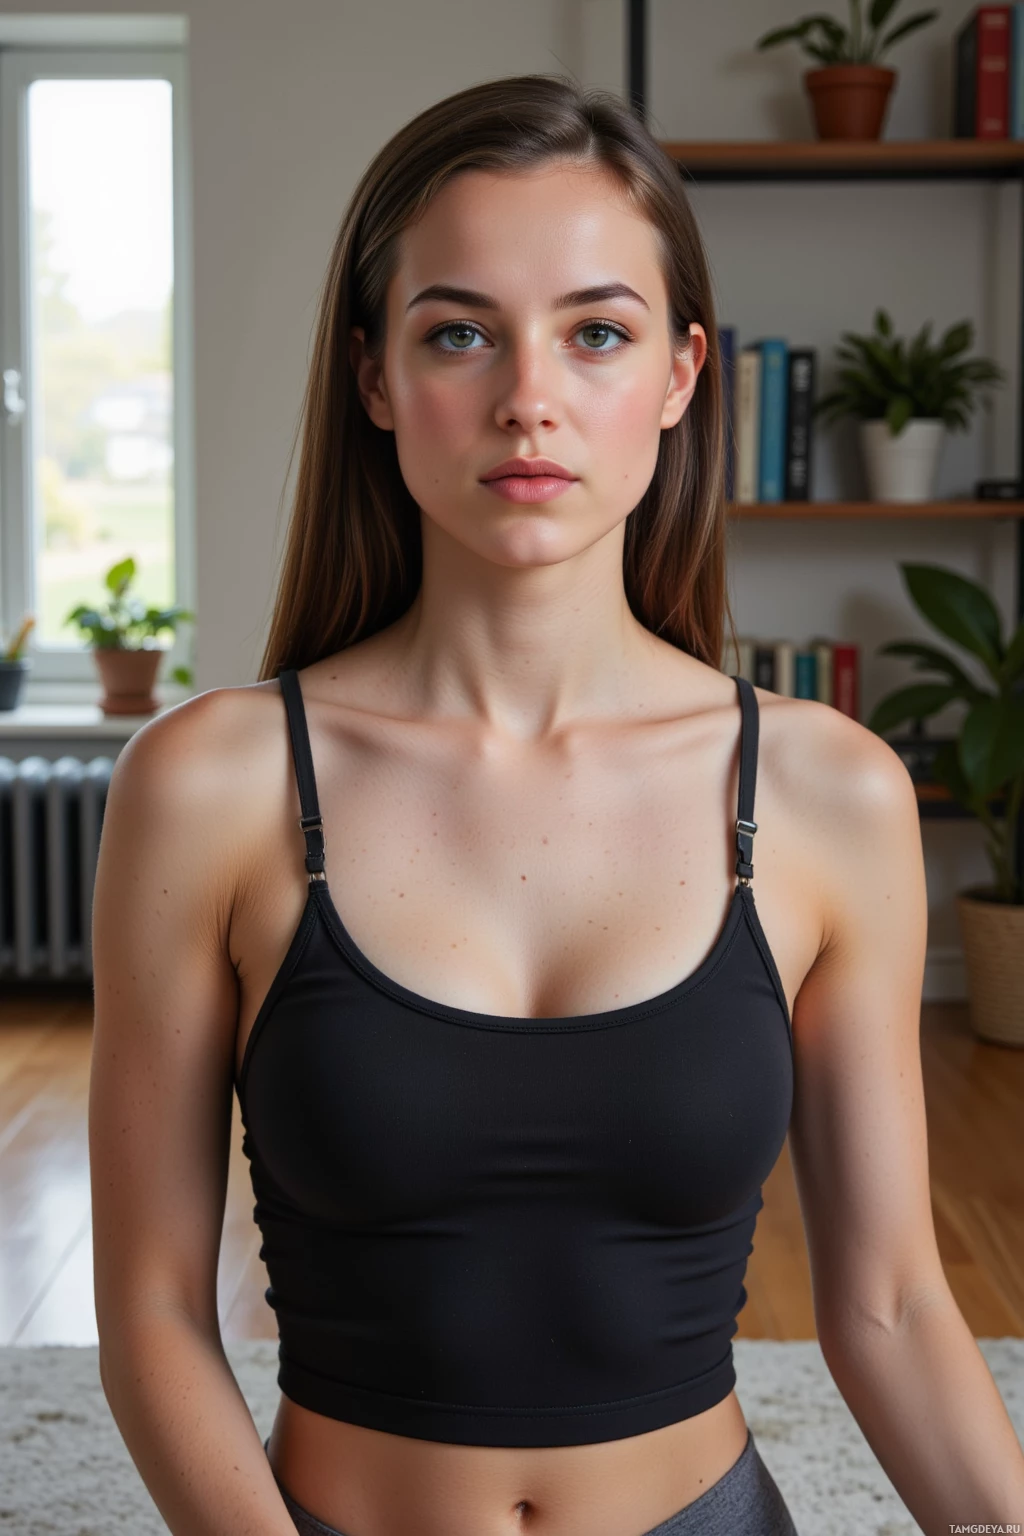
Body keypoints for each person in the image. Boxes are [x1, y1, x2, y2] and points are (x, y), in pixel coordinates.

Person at [89, 72, 1024, 1536]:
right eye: (460, 332)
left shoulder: (829, 790)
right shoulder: (212, 785)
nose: (530, 396)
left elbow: (894, 1304)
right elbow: (151, 1313)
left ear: (679, 376)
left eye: (597, 332)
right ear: (376, 378)